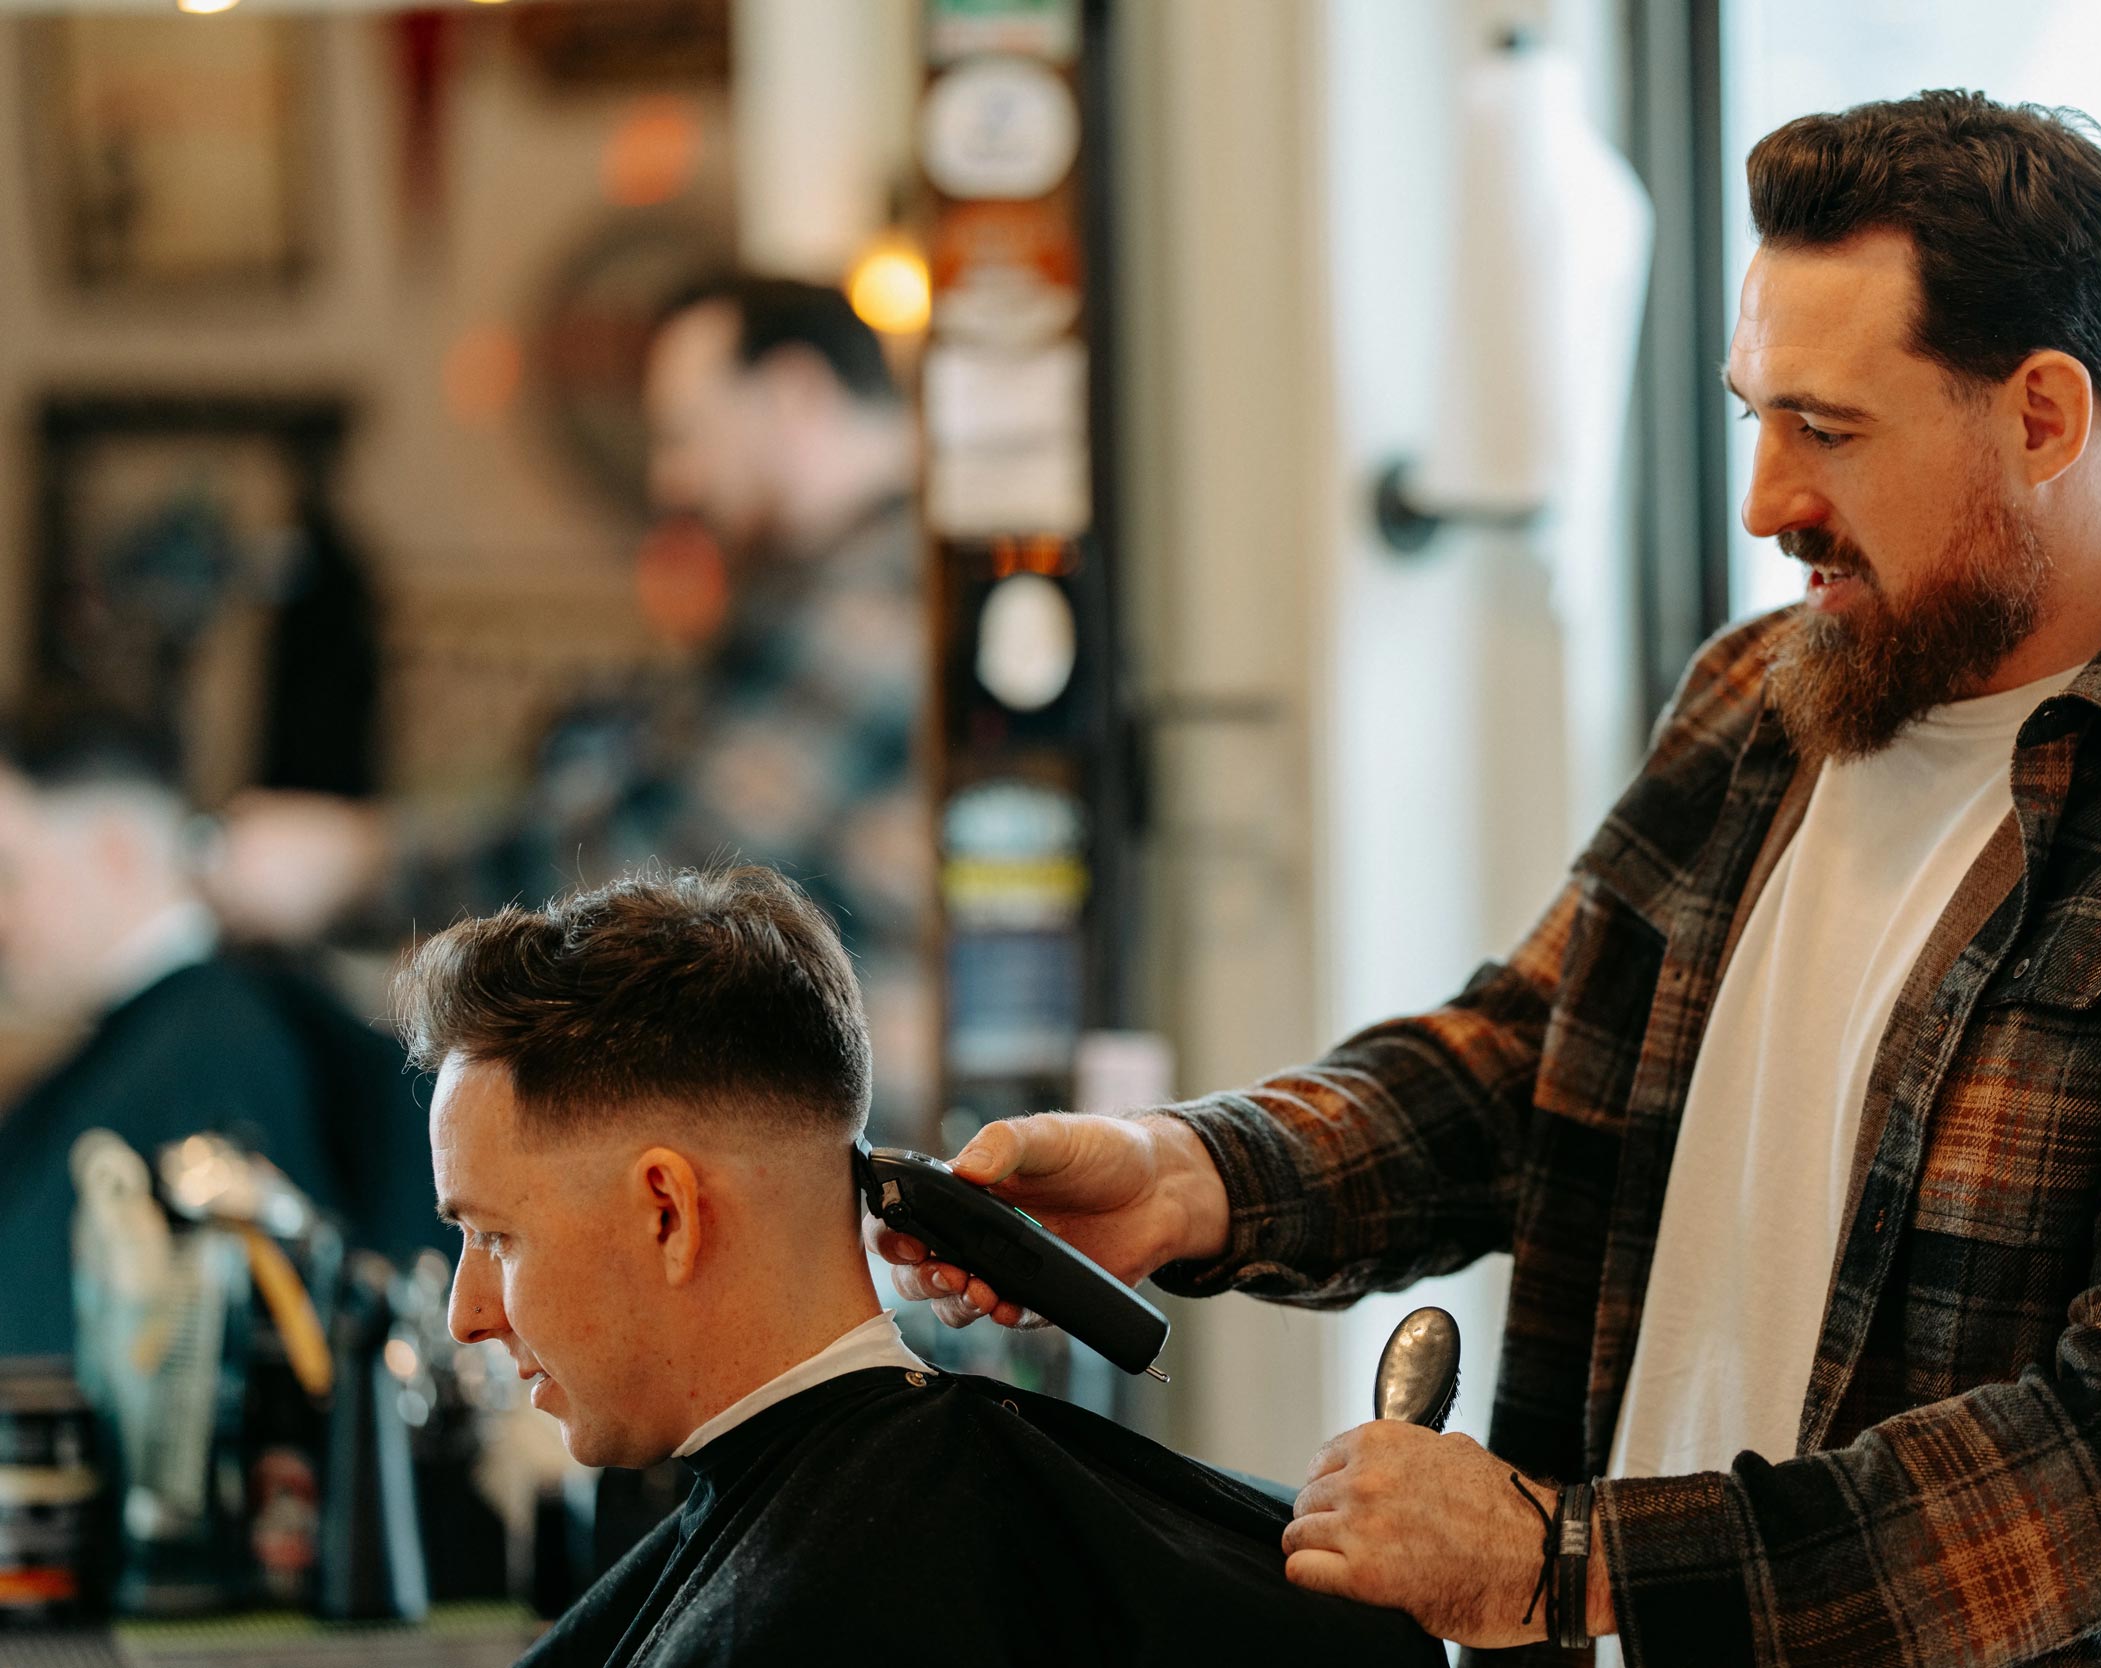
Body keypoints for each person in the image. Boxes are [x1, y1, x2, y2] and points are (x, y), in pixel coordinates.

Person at [875, 91, 2101, 1665]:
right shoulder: (1767, 695)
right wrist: (1192, 1177)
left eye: (1829, 430)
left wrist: (1566, 1559)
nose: (1767, 501)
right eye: (1756, 415)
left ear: (2046, 416)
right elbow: (1529, 1059)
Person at [404, 863, 1438, 1667]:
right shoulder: (922, 1526)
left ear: (668, 1210)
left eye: (495, 1235)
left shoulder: (811, 1615)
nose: (467, 1313)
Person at [215, 275, 936, 1130]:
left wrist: (351, 864)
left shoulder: (871, 604)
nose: (674, 480)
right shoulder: (840, 588)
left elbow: (657, 881)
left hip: (850, 1157)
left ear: (794, 392)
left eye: (684, 435)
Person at [0, 723, 439, 1358]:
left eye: (9, 874)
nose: (2, 919)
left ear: (115, 852)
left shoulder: (204, 1052)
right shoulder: (173, 1038)